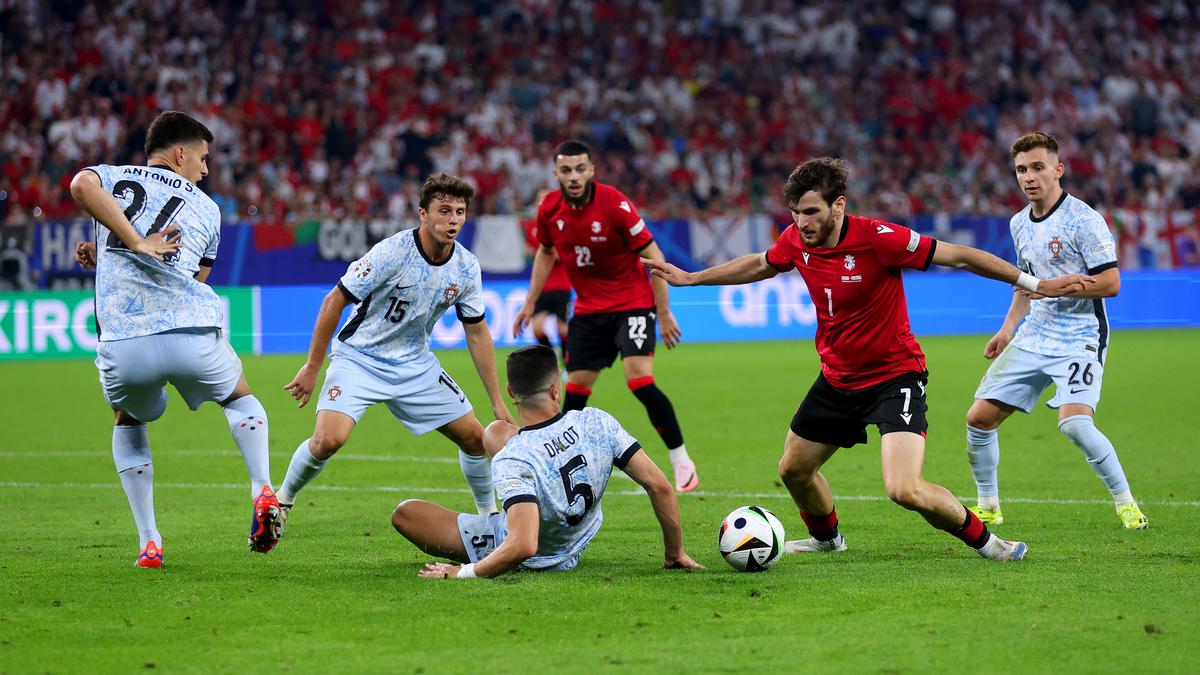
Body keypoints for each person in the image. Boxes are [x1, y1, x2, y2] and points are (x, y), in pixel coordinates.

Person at [645, 157, 1096, 562]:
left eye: (811, 212)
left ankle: (992, 545)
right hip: (838, 378)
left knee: (903, 489)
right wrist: (693, 279)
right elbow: (761, 264)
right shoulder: (795, 241)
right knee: (793, 470)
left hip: (894, 377)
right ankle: (828, 539)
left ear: (838, 206)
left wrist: (1035, 285)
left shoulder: (879, 238)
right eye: (796, 213)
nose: (802, 223)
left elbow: (959, 256)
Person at [71, 110, 281, 567]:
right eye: (203, 159)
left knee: (128, 419)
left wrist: (115, 246)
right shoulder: (209, 209)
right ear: (180, 152)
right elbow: (196, 275)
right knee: (241, 399)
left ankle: (149, 542)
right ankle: (263, 488)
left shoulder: (111, 175)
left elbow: (81, 187)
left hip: (127, 341)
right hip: (191, 332)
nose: (206, 170)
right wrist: (142, 244)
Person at [280, 173, 513, 531]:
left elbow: (477, 332)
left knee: (474, 439)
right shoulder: (392, 252)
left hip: (415, 365)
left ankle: (489, 518)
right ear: (423, 213)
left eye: (460, 212)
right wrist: (312, 366)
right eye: (444, 210)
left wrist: (496, 400)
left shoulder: (466, 267)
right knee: (329, 440)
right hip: (360, 359)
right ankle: (282, 501)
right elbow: (334, 300)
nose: (453, 220)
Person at [965, 132, 1147, 530]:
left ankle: (1126, 503)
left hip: (1079, 334)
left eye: (1037, 167)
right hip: (1035, 333)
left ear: (1057, 170)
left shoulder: (1084, 220)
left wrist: (1065, 284)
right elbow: (1026, 284)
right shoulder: (1018, 224)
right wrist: (1007, 329)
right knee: (978, 419)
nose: (1028, 177)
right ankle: (988, 506)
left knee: (1076, 424)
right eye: (1021, 170)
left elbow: (1112, 283)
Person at [394, 345, 703, 579]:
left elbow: (524, 545)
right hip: (579, 536)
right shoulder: (598, 422)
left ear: (511, 392)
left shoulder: (514, 458)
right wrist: (674, 553)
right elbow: (660, 486)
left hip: (531, 550)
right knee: (496, 431)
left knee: (405, 514)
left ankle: (490, 518)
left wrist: (464, 572)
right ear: (557, 388)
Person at [512, 140, 699, 494]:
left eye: (580, 168)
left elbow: (653, 253)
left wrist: (663, 310)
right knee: (575, 391)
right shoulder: (549, 209)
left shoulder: (614, 203)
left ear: (591, 170)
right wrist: (529, 303)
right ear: (556, 174)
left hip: (632, 303)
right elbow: (545, 254)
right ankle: (560, 464)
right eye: (566, 170)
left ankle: (680, 459)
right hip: (588, 309)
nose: (574, 176)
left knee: (638, 380)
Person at [521, 189, 572, 363]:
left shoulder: (563, 225)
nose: (542, 203)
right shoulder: (533, 227)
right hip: (541, 287)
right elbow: (530, 252)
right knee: (536, 329)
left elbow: (559, 255)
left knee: (563, 330)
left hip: (561, 286)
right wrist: (530, 252)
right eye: (540, 200)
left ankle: (568, 365)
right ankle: (553, 360)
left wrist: (537, 252)